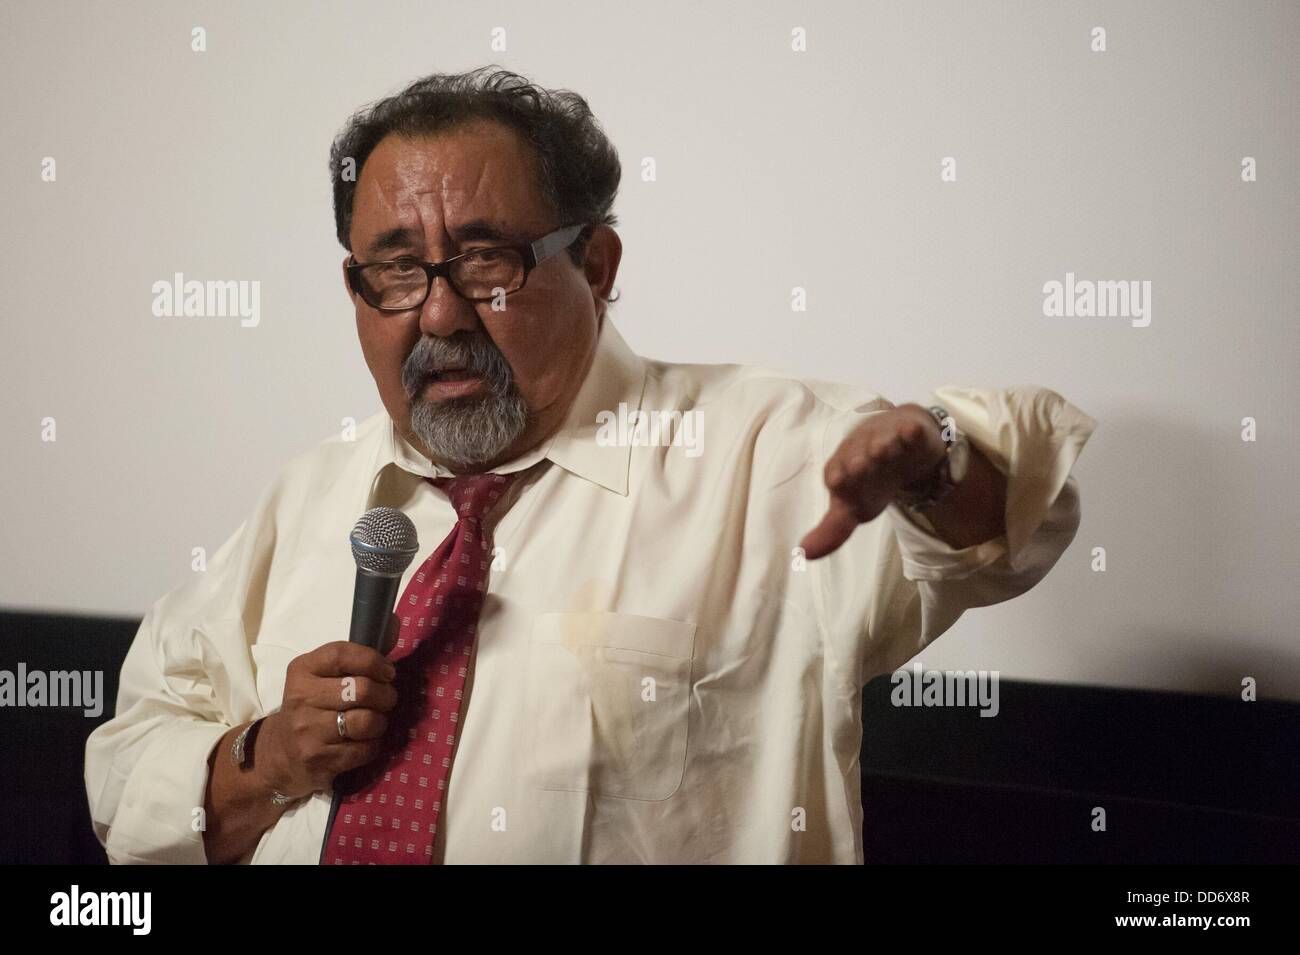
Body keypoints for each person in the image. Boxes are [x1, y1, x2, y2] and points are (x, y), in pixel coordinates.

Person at [84, 66, 1096, 864]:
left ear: (598, 267)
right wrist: (263, 761)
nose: (438, 313)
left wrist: (934, 469)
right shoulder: (313, 497)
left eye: (486, 260)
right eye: (395, 269)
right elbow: (125, 773)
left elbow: (1002, 533)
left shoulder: (763, 453)